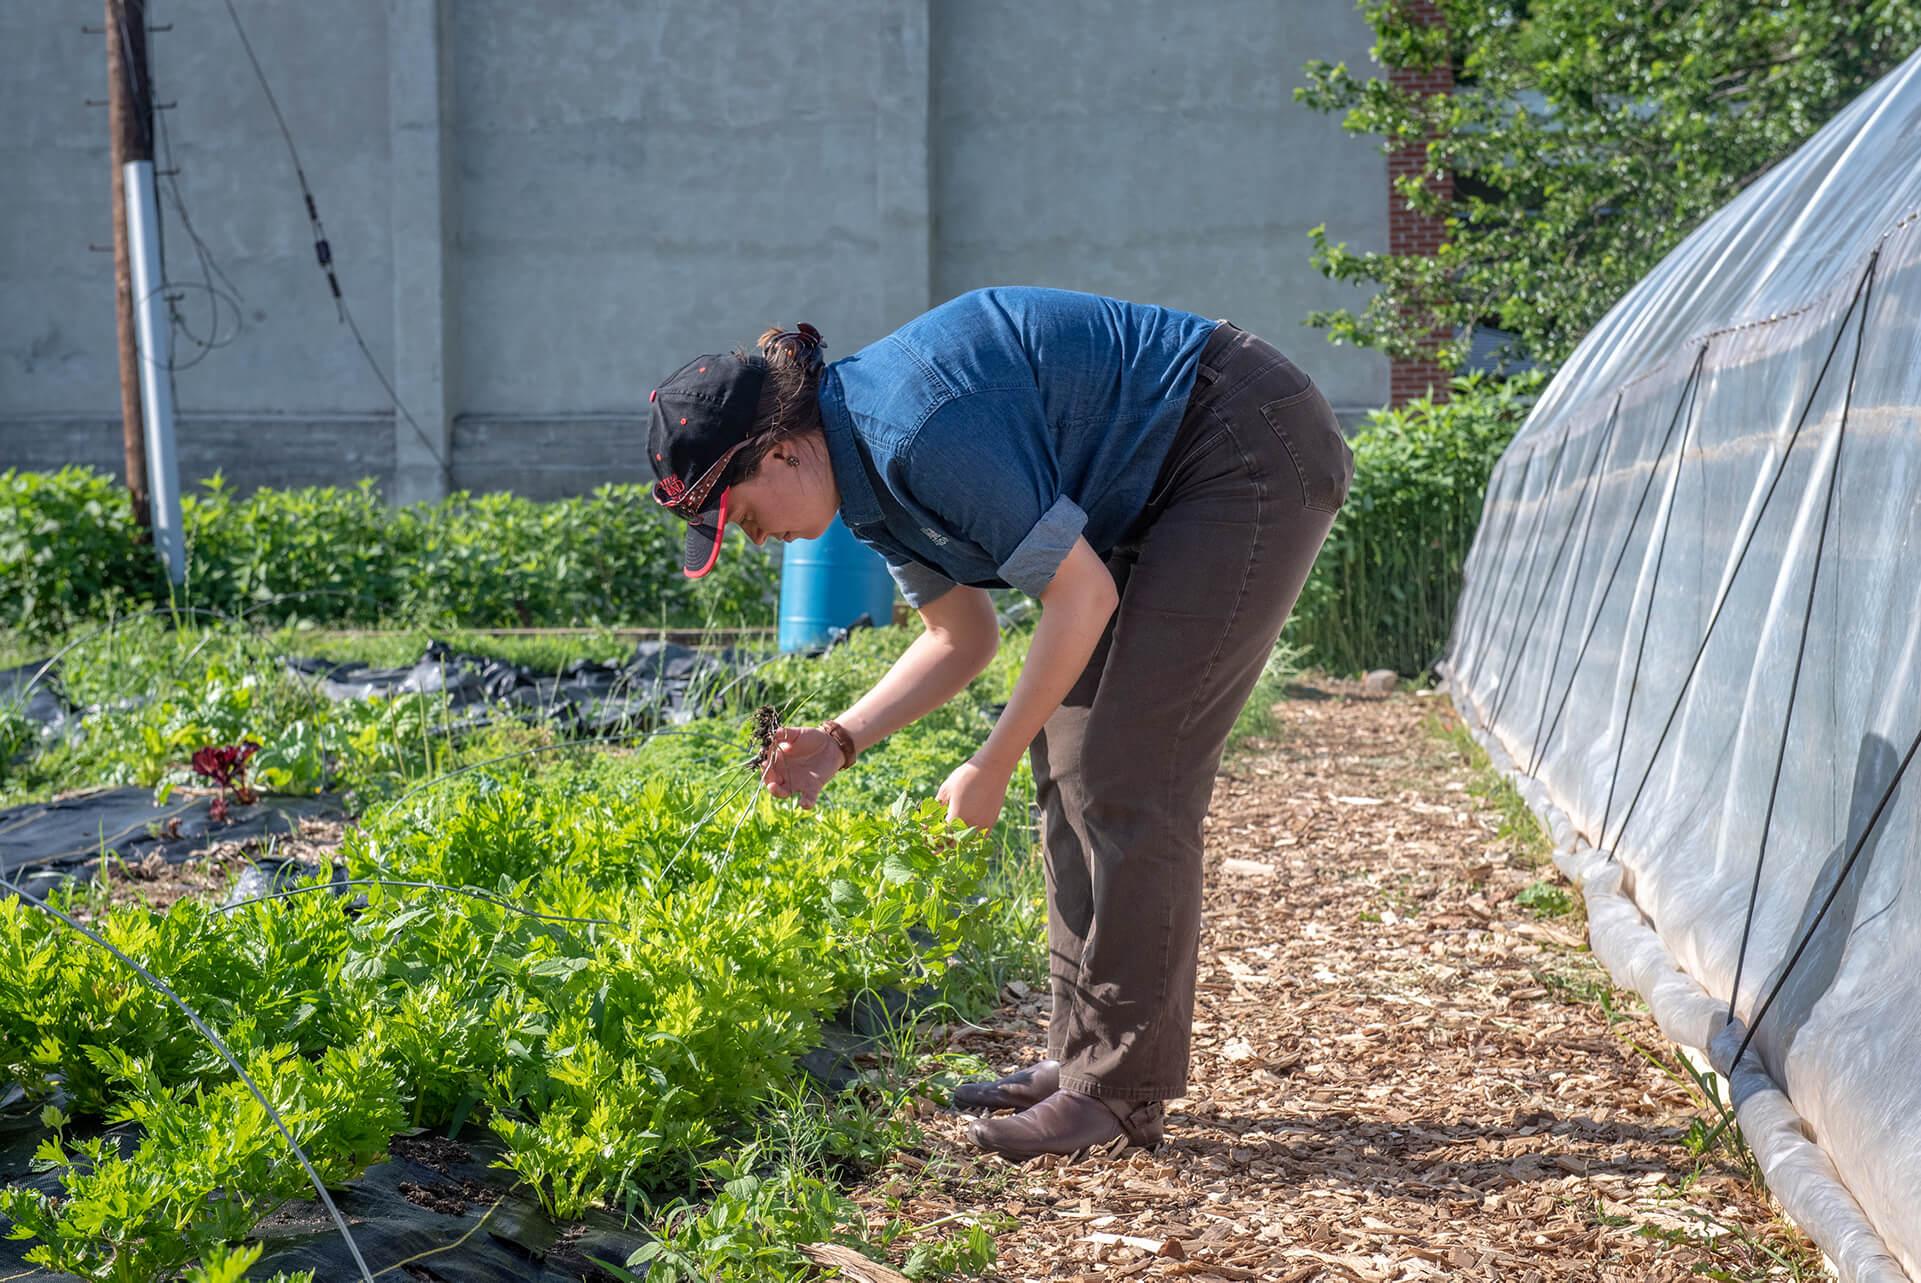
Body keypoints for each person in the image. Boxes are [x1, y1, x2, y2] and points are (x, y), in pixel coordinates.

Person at [645, 287, 1351, 1159]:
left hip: (1240, 444)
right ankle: (1079, 1055)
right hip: (1157, 486)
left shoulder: (914, 432)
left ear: (782, 452)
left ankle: (1118, 1092)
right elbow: (962, 635)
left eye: (742, 515)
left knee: (1132, 768)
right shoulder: (863, 478)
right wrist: (840, 740)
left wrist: (988, 758)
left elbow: (1079, 595)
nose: (754, 539)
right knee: (1072, 756)